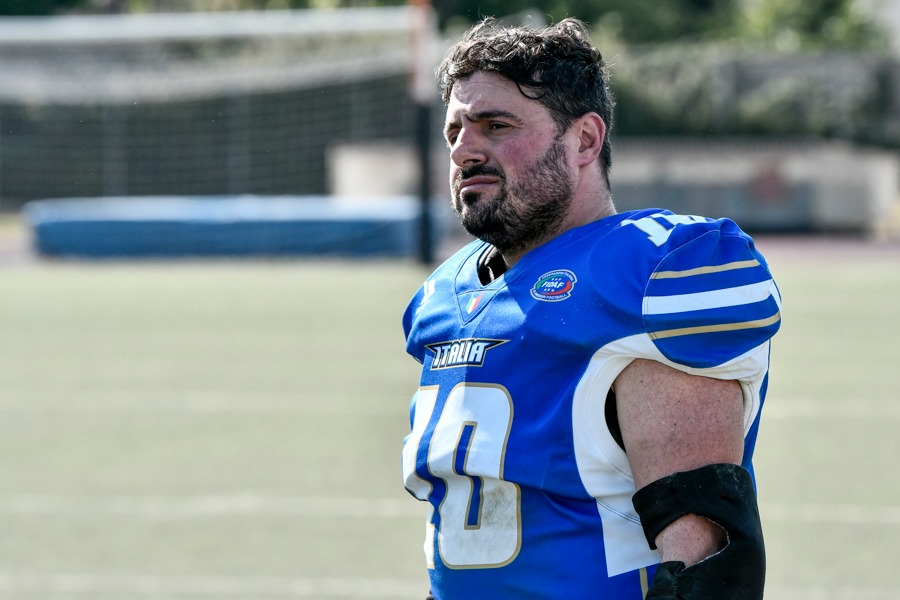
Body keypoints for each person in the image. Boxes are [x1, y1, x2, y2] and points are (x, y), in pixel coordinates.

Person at [401, 16, 781, 600]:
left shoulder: (650, 275)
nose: (463, 150)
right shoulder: (441, 299)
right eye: (454, 131)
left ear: (584, 140)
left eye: (496, 125)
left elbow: (705, 569)